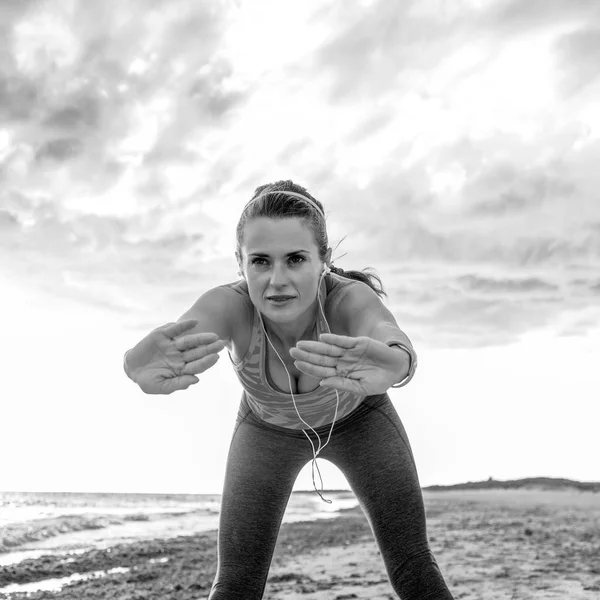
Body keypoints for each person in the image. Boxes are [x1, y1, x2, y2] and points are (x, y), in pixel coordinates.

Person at [123, 180, 455, 599]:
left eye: (295, 259)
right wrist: (134, 364)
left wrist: (401, 361)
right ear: (240, 263)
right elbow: (186, 330)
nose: (277, 280)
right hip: (265, 434)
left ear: (324, 260)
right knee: (235, 584)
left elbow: (386, 332)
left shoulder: (347, 300)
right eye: (260, 261)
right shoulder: (230, 305)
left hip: (361, 422)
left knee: (413, 567)